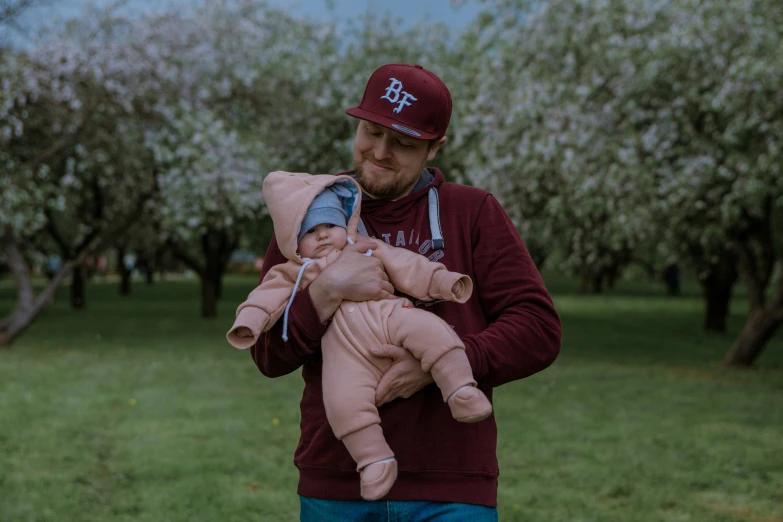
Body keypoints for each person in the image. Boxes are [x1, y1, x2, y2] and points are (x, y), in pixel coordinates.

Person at [252, 63, 562, 521]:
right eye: (370, 132)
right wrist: (326, 292)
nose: (379, 152)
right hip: (336, 483)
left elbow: (538, 328)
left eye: (403, 143)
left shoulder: (472, 212)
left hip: (451, 486)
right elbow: (267, 354)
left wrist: (443, 361)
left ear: (435, 147)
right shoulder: (307, 216)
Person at [227, 172, 493, 500]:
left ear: (346, 226)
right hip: (344, 351)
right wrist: (249, 322)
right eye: (310, 231)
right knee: (341, 401)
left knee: (432, 332)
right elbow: (264, 299)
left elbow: (409, 266)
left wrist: (443, 282)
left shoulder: (367, 248)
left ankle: (460, 389)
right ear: (293, 241)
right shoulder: (292, 272)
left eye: (330, 226)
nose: (323, 235)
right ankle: (374, 460)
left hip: (390, 317)